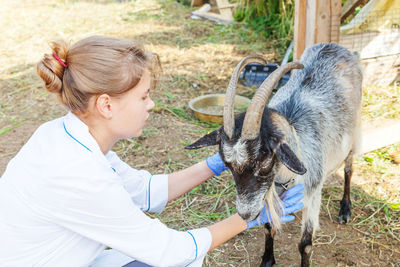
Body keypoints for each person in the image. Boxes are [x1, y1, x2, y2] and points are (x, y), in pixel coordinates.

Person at [0, 36, 304, 267]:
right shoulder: (77, 173)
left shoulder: (68, 137)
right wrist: (250, 219)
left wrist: (215, 164)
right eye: (143, 96)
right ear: (106, 105)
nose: (151, 104)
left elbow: (146, 190)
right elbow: (169, 251)